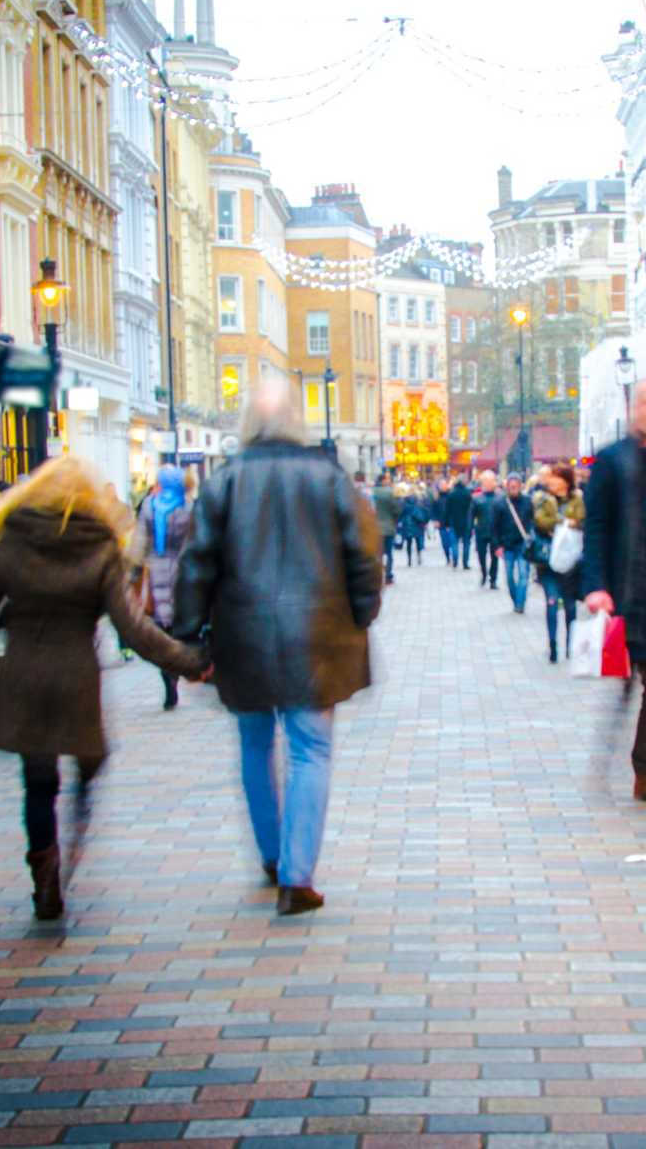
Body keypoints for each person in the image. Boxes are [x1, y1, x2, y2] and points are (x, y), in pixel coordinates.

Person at [172, 375, 383, 916]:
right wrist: (362, 614)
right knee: (311, 749)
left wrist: (190, 635)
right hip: (318, 634)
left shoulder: (224, 482)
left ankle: (271, 856)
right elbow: (364, 554)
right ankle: (296, 876)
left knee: (254, 744)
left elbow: (197, 563)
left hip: (243, 635)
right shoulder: (329, 477)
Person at [0, 454, 207, 921]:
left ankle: (45, 880)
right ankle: (79, 807)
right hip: (75, 676)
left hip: (23, 675)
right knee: (88, 757)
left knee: (37, 783)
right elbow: (134, 629)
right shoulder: (98, 546)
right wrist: (190, 661)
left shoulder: (13, 538)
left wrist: (11, 611)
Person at [582, 380, 646, 805]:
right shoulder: (610, 460)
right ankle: (604, 759)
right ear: (631, 406)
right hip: (624, 588)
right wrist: (595, 586)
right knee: (624, 680)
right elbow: (596, 527)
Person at [134, 465, 196, 710]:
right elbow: (196, 542)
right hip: (182, 574)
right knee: (177, 630)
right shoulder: (188, 507)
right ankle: (176, 672)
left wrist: (134, 570)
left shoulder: (149, 505)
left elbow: (139, 542)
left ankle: (167, 675)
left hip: (155, 572)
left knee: (160, 630)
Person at [532, 464, 584, 663]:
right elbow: (539, 522)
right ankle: (553, 644)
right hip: (547, 560)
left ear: (565, 480)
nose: (551, 481)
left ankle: (571, 645)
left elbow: (582, 520)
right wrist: (563, 522)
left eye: (555, 477)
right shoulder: (542, 499)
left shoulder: (577, 499)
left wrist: (564, 523)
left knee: (570, 607)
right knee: (551, 602)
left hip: (571, 559)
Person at [492, 473, 535, 613]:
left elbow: (534, 521)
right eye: (511, 482)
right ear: (507, 485)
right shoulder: (501, 503)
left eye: (516, 482)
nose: (514, 485)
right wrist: (497, 546)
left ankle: (519, 604)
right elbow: (494, 526)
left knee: (523, 574)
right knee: (510, 577)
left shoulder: (528, 502)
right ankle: (516, 598)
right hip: (507, 545)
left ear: (520, 485)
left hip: (523, 545)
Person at [471, 470, 499, 589]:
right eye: (486, 481)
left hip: (496, 532)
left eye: (491, 481)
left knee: (495, 556)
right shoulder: (477, 499)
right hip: (481, 531)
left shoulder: (499, 498)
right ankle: (483, 574)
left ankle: (493, 579)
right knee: (481, 555)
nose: (488, 483)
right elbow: (471, 516)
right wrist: (472, 529)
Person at [372, 473, 403, 581]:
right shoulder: (390, 492)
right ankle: (388, 574)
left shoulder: (369, 492)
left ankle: (376, 574)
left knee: (375, 552)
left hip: (372, 529)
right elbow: (397, 510)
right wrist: (394, 521)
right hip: (388, 527)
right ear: (383, 480)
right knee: (388, 552)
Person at [442, 475, 474, 568]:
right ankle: (465, 563)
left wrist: (447, 523)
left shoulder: (451, 494)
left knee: (454, 542)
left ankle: (455, 559)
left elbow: (447, 510)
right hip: (466, 522)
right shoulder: (468, 493)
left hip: (454, 522)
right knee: (466, 543)